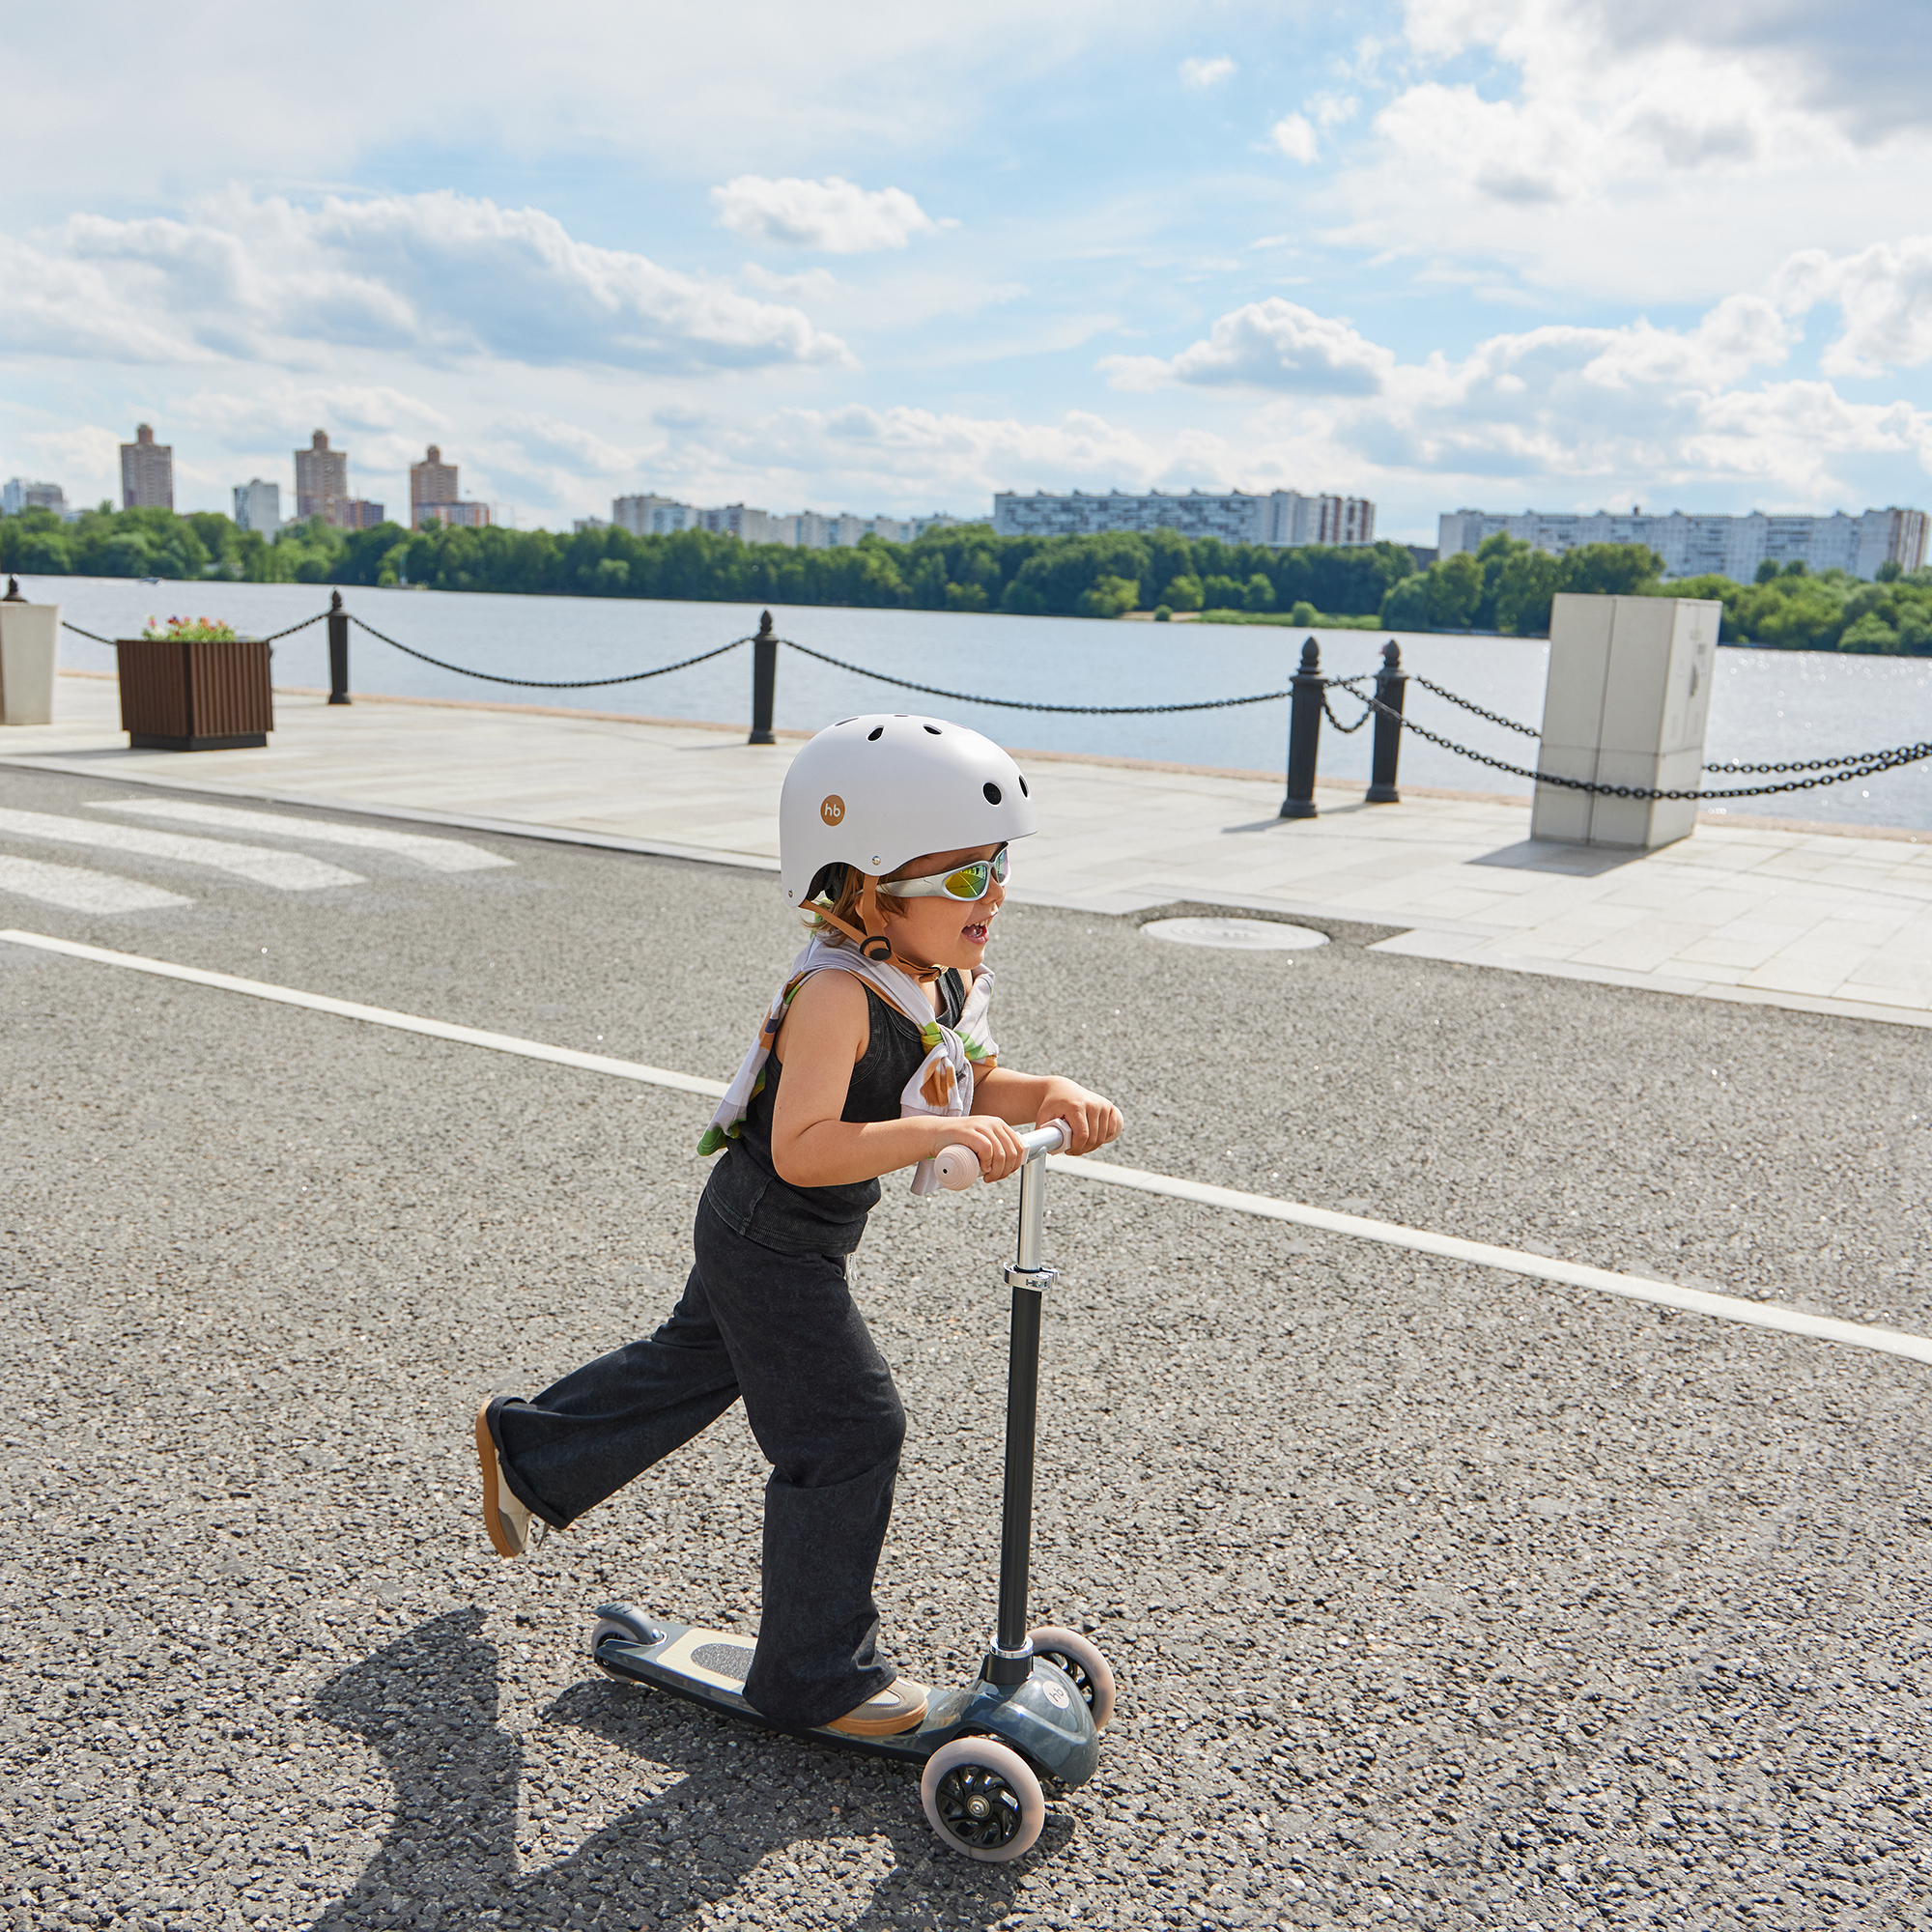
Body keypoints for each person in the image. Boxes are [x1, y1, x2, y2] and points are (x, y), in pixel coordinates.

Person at [474, 714, 1122, 1737]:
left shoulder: (936, 977)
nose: (991, 895)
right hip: (769, 1230)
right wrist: (934, 1135)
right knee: (849, 1427)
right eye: (962, 880)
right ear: (864, 885)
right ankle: (814, 1673)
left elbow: (973, 1076)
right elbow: (802, 1146)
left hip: (788, 1229)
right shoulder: (834, 994)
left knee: (694, 1361)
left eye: (996, 869)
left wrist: (1053, 1092)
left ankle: (530, 1451)